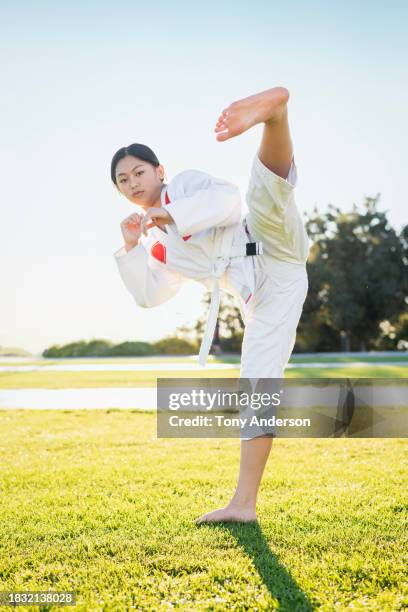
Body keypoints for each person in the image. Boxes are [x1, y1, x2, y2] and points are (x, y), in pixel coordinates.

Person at [111, 87, 310, 523]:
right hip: (265, 297)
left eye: (139, 172)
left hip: (267, 240)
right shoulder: (159, 247)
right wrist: (132, 250)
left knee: (265, 195)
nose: (133, 184)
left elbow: (228, 201)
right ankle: (243, 506)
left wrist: (172, 214)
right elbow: (150, 296)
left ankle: (275, 114)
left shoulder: (184, 186)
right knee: (256, 384)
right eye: (123, 181)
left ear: (159, 170)